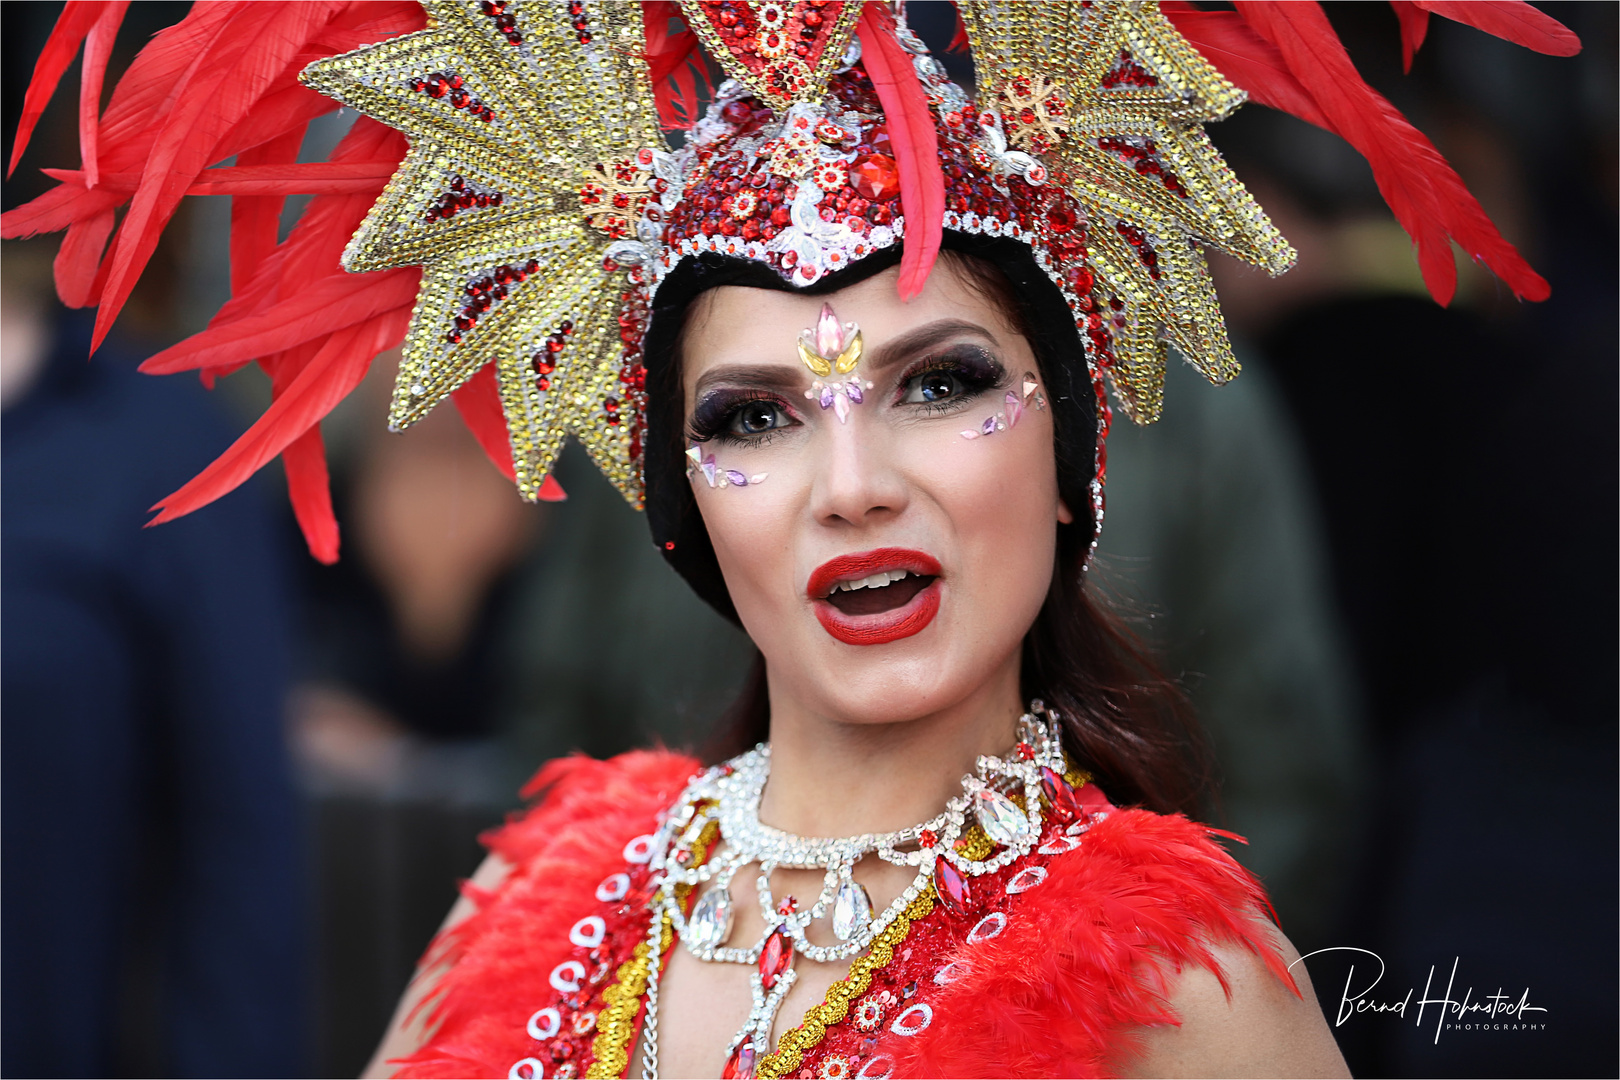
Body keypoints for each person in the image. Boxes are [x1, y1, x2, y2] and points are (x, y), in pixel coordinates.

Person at [1, 2, 1577, 1077]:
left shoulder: (1192, 987)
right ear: (684, 512)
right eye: (753, 417)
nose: (851, 484)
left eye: (940, 385)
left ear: (1072, 450)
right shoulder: (534, 899)